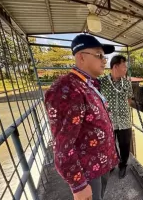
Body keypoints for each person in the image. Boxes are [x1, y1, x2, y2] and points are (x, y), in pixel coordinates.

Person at [45, 34, 118, 200]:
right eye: (99, 56)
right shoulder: (67, 89)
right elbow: (63, 145)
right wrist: (78, 184)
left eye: (104, 57)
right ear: (81, 57)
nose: (104, 61)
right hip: (87, 171)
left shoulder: (87, 84)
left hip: (100, 163)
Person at [99, 55, 133, 179]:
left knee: (125, 144)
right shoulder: (101, 82)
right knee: (110, 144)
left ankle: (123, 164)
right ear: (115, 66)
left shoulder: (127, 83)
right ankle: (112, 163)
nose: (126, 69)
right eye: (124, 66)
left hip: (124, 120)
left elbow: (129, 100)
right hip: (108, 120)